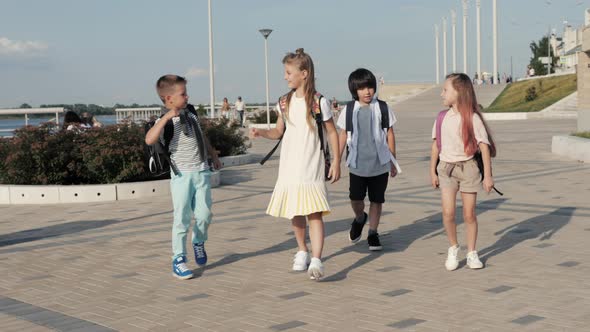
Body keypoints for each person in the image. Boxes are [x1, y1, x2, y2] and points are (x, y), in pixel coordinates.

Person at [250, 48, 341, 280]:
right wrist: (261, 133)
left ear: (305, 73)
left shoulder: (319, 102)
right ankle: (302, 249)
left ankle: (317, 260)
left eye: (289, 72)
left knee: (314, 212)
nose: (285, 76)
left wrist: (337, 161)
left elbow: (332, 132)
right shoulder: (284, 102)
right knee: (295, 211)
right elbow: (279, 131)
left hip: (312, 165)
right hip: (289, 166)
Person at [145, 74, 222, 280]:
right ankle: (178, 260)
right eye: (183, 94)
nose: (187, 97)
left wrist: (213, 154)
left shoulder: (191, 112)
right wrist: (167, 118)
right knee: (182, 218)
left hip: (201, 170)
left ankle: (198, 241)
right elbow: (149, 139)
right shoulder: (165, 119)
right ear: (169, 99)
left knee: (205, 215)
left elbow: (201, 135)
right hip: (181, 175)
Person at [430, 73, 497, 271]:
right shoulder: (442, 117)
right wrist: (432, 172)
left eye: (445, 90)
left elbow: (484, 147)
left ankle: (472, 253)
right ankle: (453, 248)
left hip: (468, 169)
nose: (442, 94)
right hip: (446, 169)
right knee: (448, 212)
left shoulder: (472, 117)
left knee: (469, 214)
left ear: (459, 92)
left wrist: (488, 176)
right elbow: (435, 146)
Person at [337, 68, 399, 251]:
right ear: (354, 90)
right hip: (357, 165)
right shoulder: (348, 109)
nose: (367, 92)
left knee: (377, 200)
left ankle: (373, 232)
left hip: (379, 164)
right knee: (356, 198)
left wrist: (393, 160)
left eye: (370, 87)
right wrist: (336, 161)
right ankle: (359, 218)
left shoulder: (382, 107)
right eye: (362, 88)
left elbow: (390, 133)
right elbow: (342, 135)